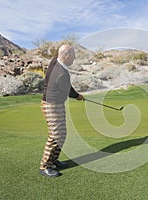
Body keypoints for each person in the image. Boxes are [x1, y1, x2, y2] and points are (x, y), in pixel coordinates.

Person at [39, 44, 84, 177]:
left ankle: (53, 161)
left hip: (56, 104)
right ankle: (44, 166)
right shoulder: (61, 73)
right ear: (67, 56)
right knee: (55, 135)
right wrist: (78, 96)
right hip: (51, 106)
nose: (74, 59)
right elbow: (69, 91)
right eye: (73, 57)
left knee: (61, 134)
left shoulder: (55, 61)